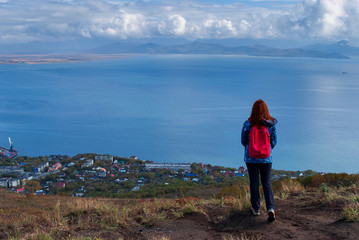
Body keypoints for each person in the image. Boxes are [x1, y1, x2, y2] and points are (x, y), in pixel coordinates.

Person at [241, 99, 277, 222]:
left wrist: (252, 146)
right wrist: (266, 148)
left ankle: (256, 209)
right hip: (266, 158)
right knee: (266, 183)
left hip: (251, 158)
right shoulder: (271, 124)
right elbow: (274, 142)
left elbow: (243, 141)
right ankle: (270, 208)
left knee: (254, 183)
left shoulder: (247, 124)